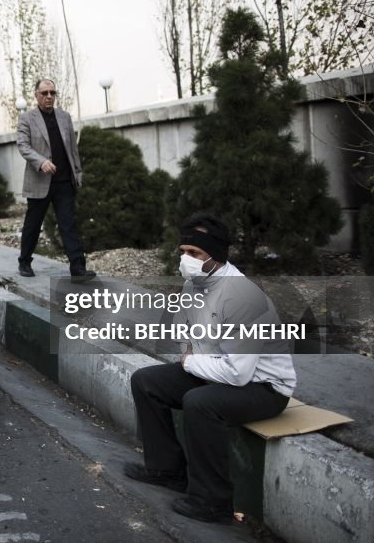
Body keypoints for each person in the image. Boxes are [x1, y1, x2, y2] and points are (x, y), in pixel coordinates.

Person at [124, 213, 295, 524]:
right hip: (213, 369)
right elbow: (180, 331)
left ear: (215, 254)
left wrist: (190, 361)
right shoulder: (194, 283)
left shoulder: (242, 297)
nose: (186, 259)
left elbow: (238, 373)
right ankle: (166, 471)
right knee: (145, 381)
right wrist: (189, 352)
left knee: (200, 403)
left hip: (264, 387)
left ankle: (213, 501)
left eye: (195, 253)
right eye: (183, 251)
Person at [16, 78, 96, 283]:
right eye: (44, 93)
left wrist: (77, 173)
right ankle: (24, 261)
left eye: (52, 92)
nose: (49, 97)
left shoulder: (64, 117)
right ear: (36, 96)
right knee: (33, 225)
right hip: (39, 181)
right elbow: (23, 146)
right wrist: (41, 161)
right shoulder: (27, 118)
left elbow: (72, 149)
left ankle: (78, 269)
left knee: (68, 225)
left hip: (63, 182)